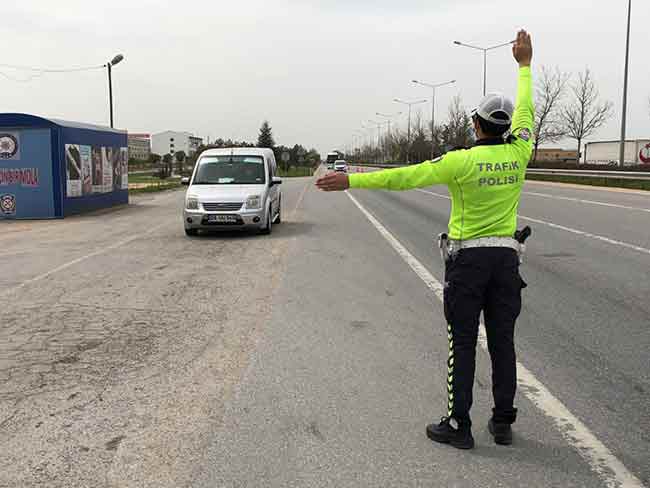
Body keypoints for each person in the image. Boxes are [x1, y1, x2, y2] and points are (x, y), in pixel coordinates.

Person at [316, 30, 534, 450]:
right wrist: (524, 66)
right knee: (503, 340)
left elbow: (406, 177)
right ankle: (503, 421)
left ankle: (459, 425)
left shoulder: (460, 162)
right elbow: (525, 113)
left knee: (463, 341)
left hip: (469, 263)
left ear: (475, 125)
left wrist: (352, 181)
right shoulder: (519, 153)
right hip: (506, 263)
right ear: (506, 128)